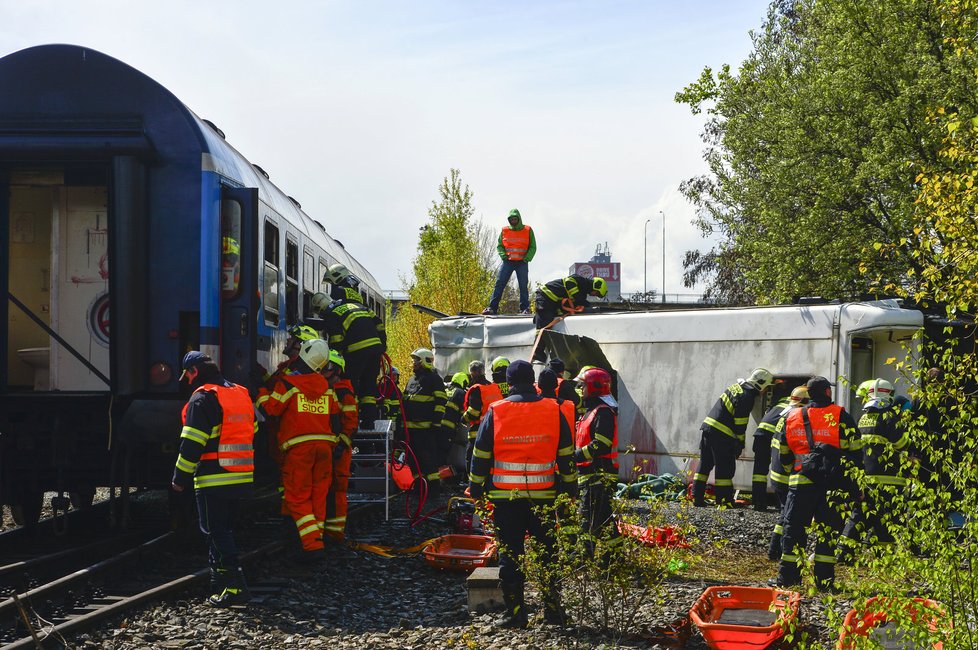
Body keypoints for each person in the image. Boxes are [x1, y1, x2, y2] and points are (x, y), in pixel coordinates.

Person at [469, 360, 578, 628]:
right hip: (543, 497)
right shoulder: (554, 410)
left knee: (511, 555)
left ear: (508, 381)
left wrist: (477, 488)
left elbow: (480, 454)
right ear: (534, 380)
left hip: (506, 499)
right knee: (547, 553)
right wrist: (569, 492)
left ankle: (516, 614)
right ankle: (553, 612)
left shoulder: (497, 410)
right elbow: (566, 456)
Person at [171, 351, 256, 606]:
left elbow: (192, 445)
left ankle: (234, 588)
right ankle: (220, 586)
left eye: (187, 376)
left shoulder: (202, 398)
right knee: (225, 531)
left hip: (213, 478)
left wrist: (179, 478)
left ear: (194, 372)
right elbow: (254, 430)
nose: (187, 382)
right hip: (241, 476)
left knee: (216, 533)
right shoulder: (240, 393)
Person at [772, 376, 860, 591]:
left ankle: (788, 579)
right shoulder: (841, 416)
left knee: (794, 530)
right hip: (832, 484)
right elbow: (856, 452)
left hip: (800, 482)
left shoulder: (792, 416)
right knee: (827, 532)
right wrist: (854, 485)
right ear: (827, 392)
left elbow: (783, 454)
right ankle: (824, 583)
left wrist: (793, 470)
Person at [256, 339, 336, 561]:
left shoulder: (289, 384)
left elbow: (272, 410)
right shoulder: (327, 388)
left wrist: (261, 391)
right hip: (324, 448)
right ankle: (316, 537)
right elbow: (335, 415)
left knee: (297, 497)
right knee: (318, 495)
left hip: (299, 448)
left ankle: (312, 545)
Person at [839, 379, 910, 559]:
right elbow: (902, 444)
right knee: (886, 520)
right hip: (889, 481)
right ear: (890, 396)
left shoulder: (863, 418)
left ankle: (843, 553)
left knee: (859, 516)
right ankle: (883, 557)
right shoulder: (889, 418)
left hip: (866, 479)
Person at [314, 263, 386, 428]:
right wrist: (382, 346)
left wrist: (335, 361)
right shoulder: (361, 306)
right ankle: (369, 423)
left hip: (355, 352)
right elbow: (379, 324)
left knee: (349, 385)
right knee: (368, 388)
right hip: (375, 350)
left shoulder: (334, 311)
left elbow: (336, 340)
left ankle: (349, 422)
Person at [692, 368, 774, 508]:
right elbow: (740, 423)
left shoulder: (737, 388)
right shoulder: (747, 396)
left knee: (705, 464)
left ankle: (697, 497)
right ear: (759, 384)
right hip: (721, 434)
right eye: (766, 388)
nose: (765, 392)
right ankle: (724, 501)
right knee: (725, 467)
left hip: (708, 428)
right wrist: (740, 442)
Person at [575, 367, 621, 560]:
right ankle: (615, 558)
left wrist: (575, 456)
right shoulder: (590, 412)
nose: (580, 389)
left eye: (583, 385)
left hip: (600, 474)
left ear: (593, 387)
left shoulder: (603, 413)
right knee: (603, 520)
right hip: (590, 473)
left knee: (588, 518)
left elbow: (601, 445)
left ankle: (585, 558)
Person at [766, 386, 810, 561]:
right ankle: (775, 550)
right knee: (787, 514)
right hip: (784, 474)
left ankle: (774, 551)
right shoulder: (795, 418)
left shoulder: (786, 414)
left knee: (784, 512)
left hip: (777, 473)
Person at [323, 350, 358, 543]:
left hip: (339, 452)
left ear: (337, 370)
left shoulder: (344, 392)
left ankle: (335, 532)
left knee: (337, 491)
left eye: (327, 367)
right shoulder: (328, 389)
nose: (323, 371)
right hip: (327, 447)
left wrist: (340, 446)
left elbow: (351, 424)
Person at [403, 348, 448, 489]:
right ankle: (419, 488)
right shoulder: (411, 381)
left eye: (416, 360)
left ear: (424, 361)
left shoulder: (434, 379)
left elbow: (441, 403)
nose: (413, 363)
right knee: (413, 461)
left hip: (426, 431)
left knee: (428, 462)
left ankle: (433, 489)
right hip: (411, 431)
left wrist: (435, 424)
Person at [482, 209, 536, 315]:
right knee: (499, 283)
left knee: (523, 285)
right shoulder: (505, 230)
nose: (514, 220)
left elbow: (533, 246)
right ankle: (492, 308)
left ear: (519, 219)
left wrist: (527, 258)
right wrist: (503, 256)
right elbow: (500, 246)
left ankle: (524, 308)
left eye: (515, 219)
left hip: (522, 262)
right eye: (512, 219)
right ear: (509, 220)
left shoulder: (527, 229)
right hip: (508, 262)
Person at [462, 357, 508, 469]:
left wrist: (463, 419)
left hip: (478, 432)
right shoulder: (494, 387)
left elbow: (473, 412)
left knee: (473, 461)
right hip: (496, 430)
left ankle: (473, 485)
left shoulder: (476, 389)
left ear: (472, 373)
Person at [750, 388, 792, 511]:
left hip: (760, 434)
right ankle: (781, 503)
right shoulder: (797, 405)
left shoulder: (780, 402)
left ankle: (758, 502)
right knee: (778, 469)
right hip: (771, 435)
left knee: (759, 472)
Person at [441, 371, 470, 476]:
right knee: (443, 456)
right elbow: (464, 413)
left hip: (436, 427)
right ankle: (440, 480)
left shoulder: (445, 390)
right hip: (448, 429)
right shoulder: (461, 393)